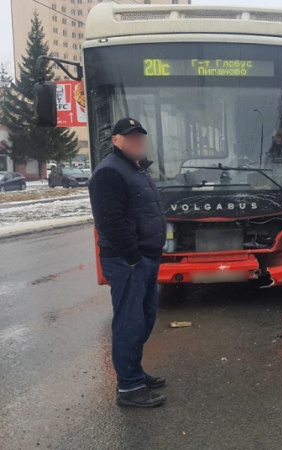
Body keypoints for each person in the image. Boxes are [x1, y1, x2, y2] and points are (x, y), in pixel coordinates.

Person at [88, 118, 167, 408]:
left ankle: (135, 372)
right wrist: (133, 257)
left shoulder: (136, 168)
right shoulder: (109, 172)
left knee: (144, 318)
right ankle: (130, 388)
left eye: (140, 139)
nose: (137, 144)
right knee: (129, 322)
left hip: (144, 257)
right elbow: (109, 220)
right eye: (131, 139)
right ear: (116, 141)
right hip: (128, 261)